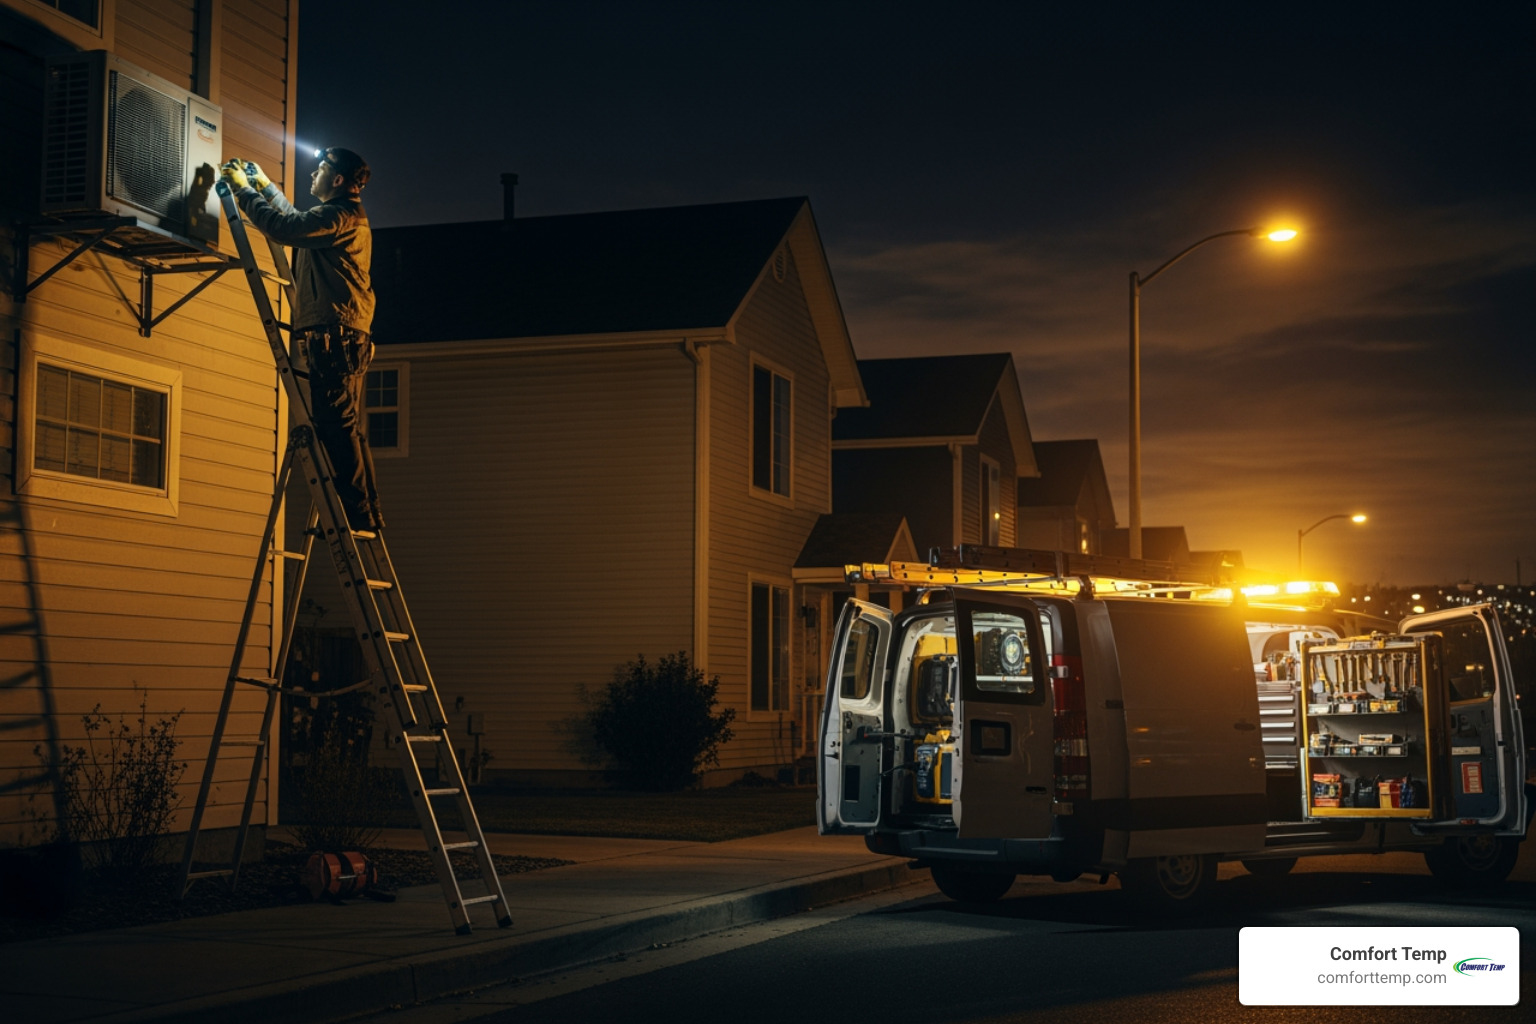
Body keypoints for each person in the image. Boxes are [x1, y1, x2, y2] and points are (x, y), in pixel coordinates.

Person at [219, 148, 383, 533]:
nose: (314, 173)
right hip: (343, 335)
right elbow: (295, 221)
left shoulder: (340, 215)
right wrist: (264, 186)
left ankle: (357, 513)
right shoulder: (338, 216)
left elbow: (285, 229)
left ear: (338, 180)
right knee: (346, 428)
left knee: (337, 428)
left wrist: (242, 192)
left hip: (335, 336)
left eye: (322, 169)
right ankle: (364, 511)